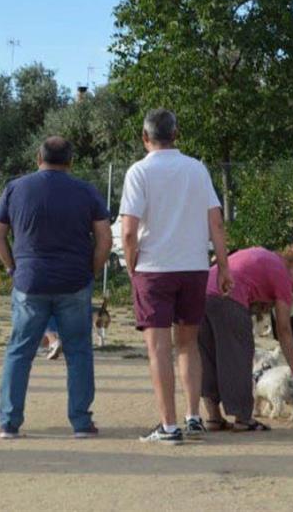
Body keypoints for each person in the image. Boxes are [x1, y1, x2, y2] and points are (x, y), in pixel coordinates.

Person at [120, 109, 232, 444]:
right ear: (176, 134)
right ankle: (193, 416)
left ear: (145, 137)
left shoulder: (139, 171)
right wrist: (224, 266)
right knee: (187, 345)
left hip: (154, 269)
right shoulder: (197, 169)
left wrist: (131, 266)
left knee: (158, 350)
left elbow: (128, 231)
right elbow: (216, 222)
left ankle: (168, 426)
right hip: (194, 266)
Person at [0, 136, 111, 439]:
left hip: (30, 279)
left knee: (19, 352)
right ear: (70, 161)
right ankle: (81, 422)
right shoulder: (86, 191)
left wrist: (11, 266)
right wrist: (91, 271)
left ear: (37, 157)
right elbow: (105, 239)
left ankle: (9, 422)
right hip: (74, 280)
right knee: (79, 352)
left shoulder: (16, 188)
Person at [199, 245, 293, 433]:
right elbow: (284, 328)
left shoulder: (263, 255)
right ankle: (243, 418)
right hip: (229, 296)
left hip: (202, 294)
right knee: (240, 356)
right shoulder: (282, 275)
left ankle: (214, 417)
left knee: (207, 357)